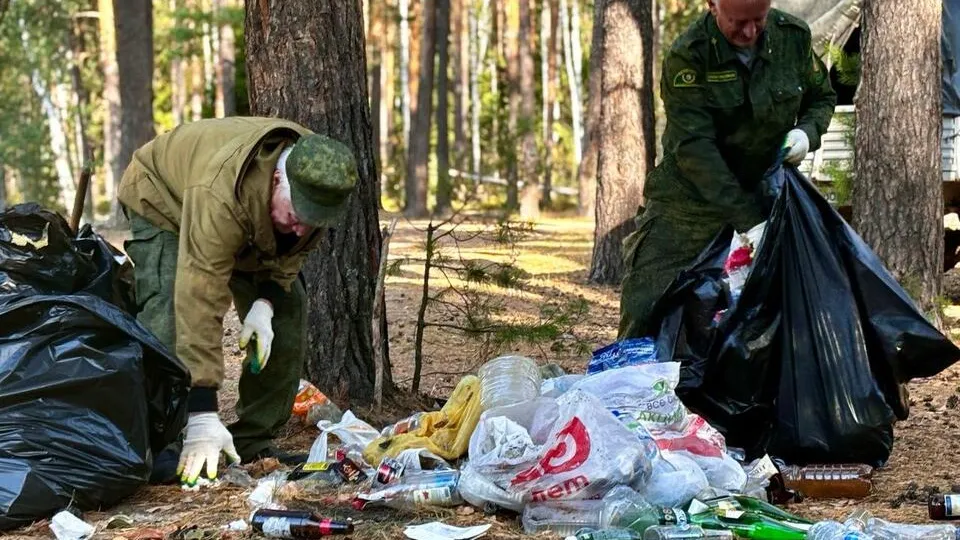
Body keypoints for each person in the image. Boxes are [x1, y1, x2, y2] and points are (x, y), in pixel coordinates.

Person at [117, 116, 359, 485]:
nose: (301, 229)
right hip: (163, 198)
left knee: (289, 308)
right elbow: (200, 297)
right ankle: (164, 444)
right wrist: (203, 412)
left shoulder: (319, 174)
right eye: (296, 216)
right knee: (167, 316)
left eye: (312, 222)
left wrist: (265, 305)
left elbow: (291, 256)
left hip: (248, 217)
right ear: (278, 180)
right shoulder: (220, 194)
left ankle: (253, 440)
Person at [618, 0, 837, 339]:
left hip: (764, 186)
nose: (750, 32)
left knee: (788, 297)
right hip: (690, 197)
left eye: (759, 19)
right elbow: (696, 150)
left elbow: (821, 97)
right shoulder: (689, 54)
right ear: (711, 6)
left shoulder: (792, 37)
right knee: (648, 299)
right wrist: (750, 222)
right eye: (738, 22)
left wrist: (805, 134)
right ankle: (633, 385)